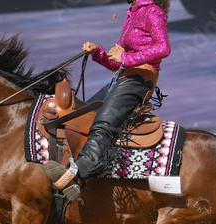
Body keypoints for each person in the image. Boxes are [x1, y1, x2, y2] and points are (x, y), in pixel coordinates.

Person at [44, 0, 171, 197]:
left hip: (141, 78)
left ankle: (81, 171)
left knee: (104, 120)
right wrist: (98, 52)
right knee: (83, 115)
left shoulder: (152, 12)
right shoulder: (133, 13)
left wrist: (127, 59)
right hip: (124, 75)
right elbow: (115, 61)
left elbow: (163, 48)